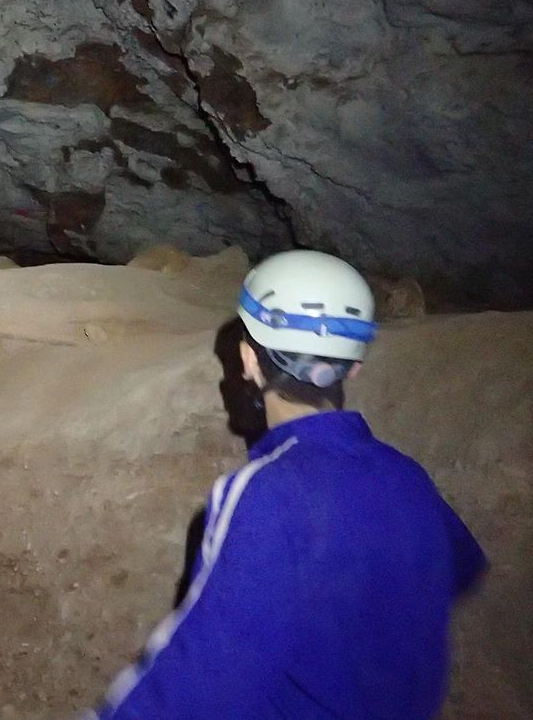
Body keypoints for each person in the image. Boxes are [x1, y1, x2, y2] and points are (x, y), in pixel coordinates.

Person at [87, 250, 487, 719]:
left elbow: (203, 676)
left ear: (248, 360)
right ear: (354, 365)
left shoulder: (264, 494)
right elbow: (461, 569)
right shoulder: (407, 477)